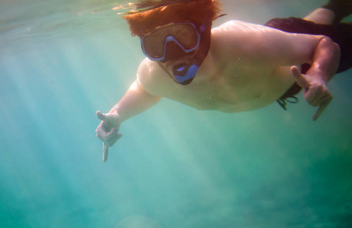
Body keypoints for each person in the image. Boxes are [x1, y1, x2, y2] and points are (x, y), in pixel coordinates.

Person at [96, 0, 352, 162]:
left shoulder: (244, 42)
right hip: (280, 73)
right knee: (318, 21)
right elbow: (144, 90)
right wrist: (117, 114)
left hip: (299, 67)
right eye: (154, 44)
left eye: (182, 37)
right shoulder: (154, 73)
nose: (171, 54)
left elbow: (322, 44)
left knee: (314, 30)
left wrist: (318, 72)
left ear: (203, 29)